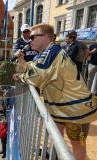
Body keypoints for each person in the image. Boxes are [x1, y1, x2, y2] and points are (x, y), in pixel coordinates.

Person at [13, 24, 97, 160]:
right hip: (64, 107)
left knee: (77, 145)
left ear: (46, 37)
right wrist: (22, 61)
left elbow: (36, 76)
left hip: (75, 110)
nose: (30, 40)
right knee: (58, 137)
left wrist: (21, 76)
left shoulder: (51, 52)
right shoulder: (49, 51)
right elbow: (34, 66)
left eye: (33, 37)